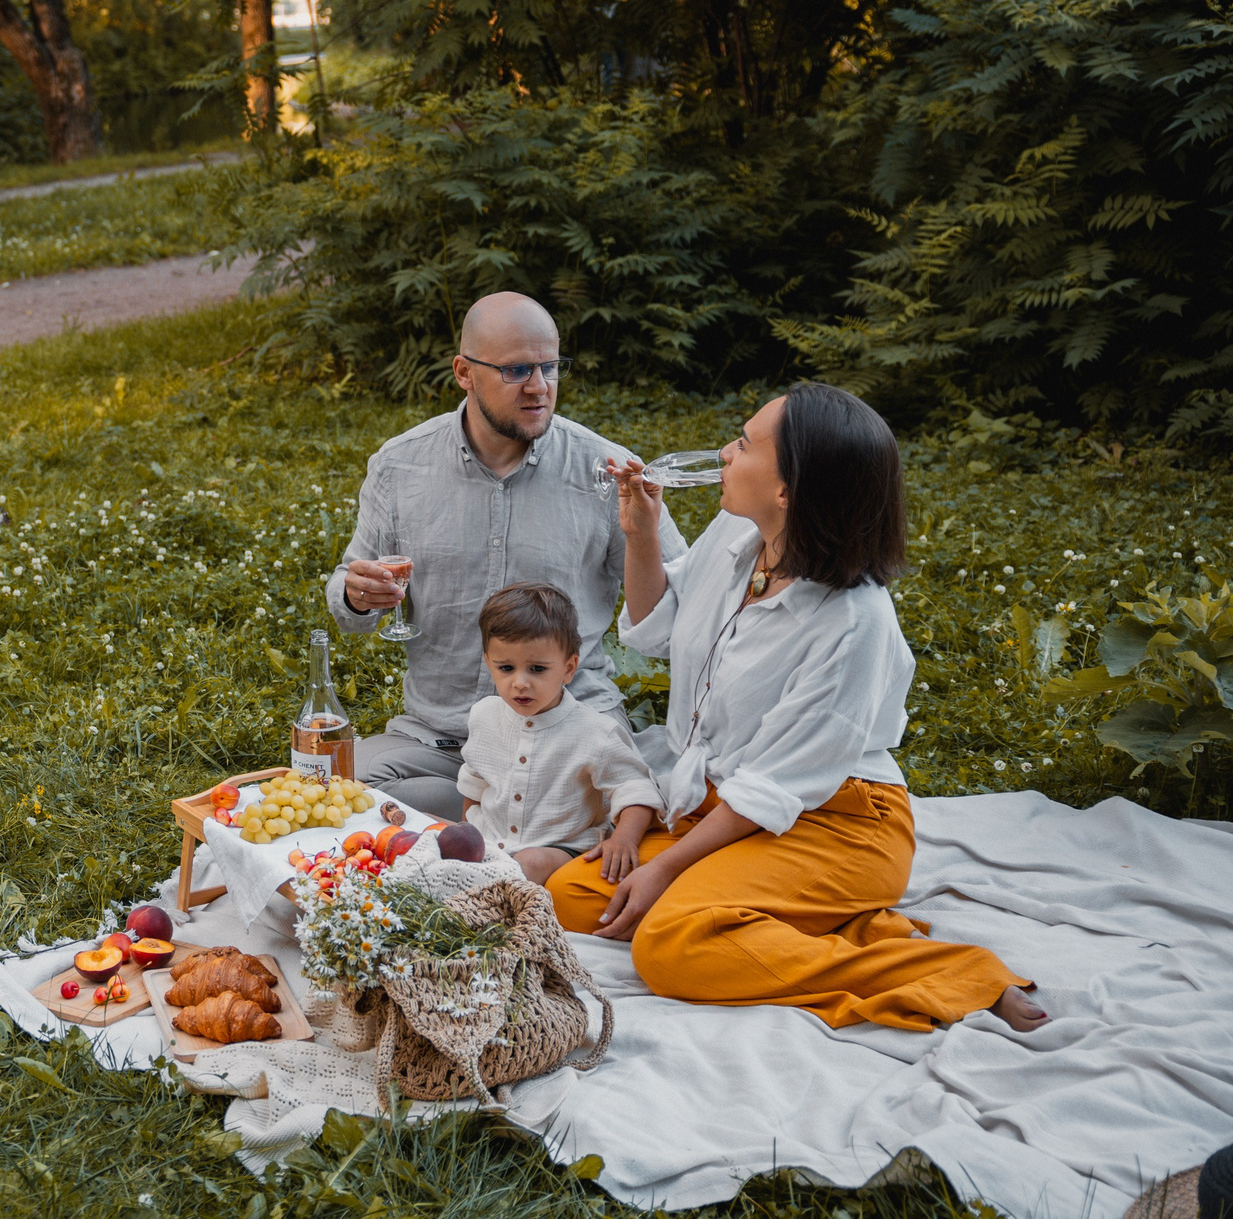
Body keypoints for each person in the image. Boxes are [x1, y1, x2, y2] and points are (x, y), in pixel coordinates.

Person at [542, 382, 1047, 1034]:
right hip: (727, 806)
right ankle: (840, 920)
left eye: (745, 442)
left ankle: (950, 974)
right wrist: (640, 536)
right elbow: (662, 630)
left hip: (837, 822)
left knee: (671, 941)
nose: (726, 451)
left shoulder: (854, 622)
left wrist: (667, 863)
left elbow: (775, 786)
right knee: (574, 895)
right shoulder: (738, 533)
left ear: (788, 489)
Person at [328, 292, 687, 819]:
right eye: (517, 370)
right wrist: (357, 596)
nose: (540, 387)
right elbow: (351, 605)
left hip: (566, 737)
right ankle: (493, 821)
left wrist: (643, 538)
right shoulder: (400, 468)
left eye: (550, 366)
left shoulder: (609, 471)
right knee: (330, 793)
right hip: (439, 742)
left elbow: (675, 614)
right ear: (464, 372)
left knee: (385, 828)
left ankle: (490, 826)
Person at [457, 582, 662, 885]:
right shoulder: (484, 715)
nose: (520, 683)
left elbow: (634, 787)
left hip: (558, 848)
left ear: (568, 668)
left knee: (530, 863)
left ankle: (487, 904)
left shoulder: (595, 732)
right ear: (489, 663)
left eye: (537, 669)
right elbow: (475, 784)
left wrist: (625, 839)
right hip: (493, 839)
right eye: (506, 668)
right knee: (436, 839)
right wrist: (467, 833)